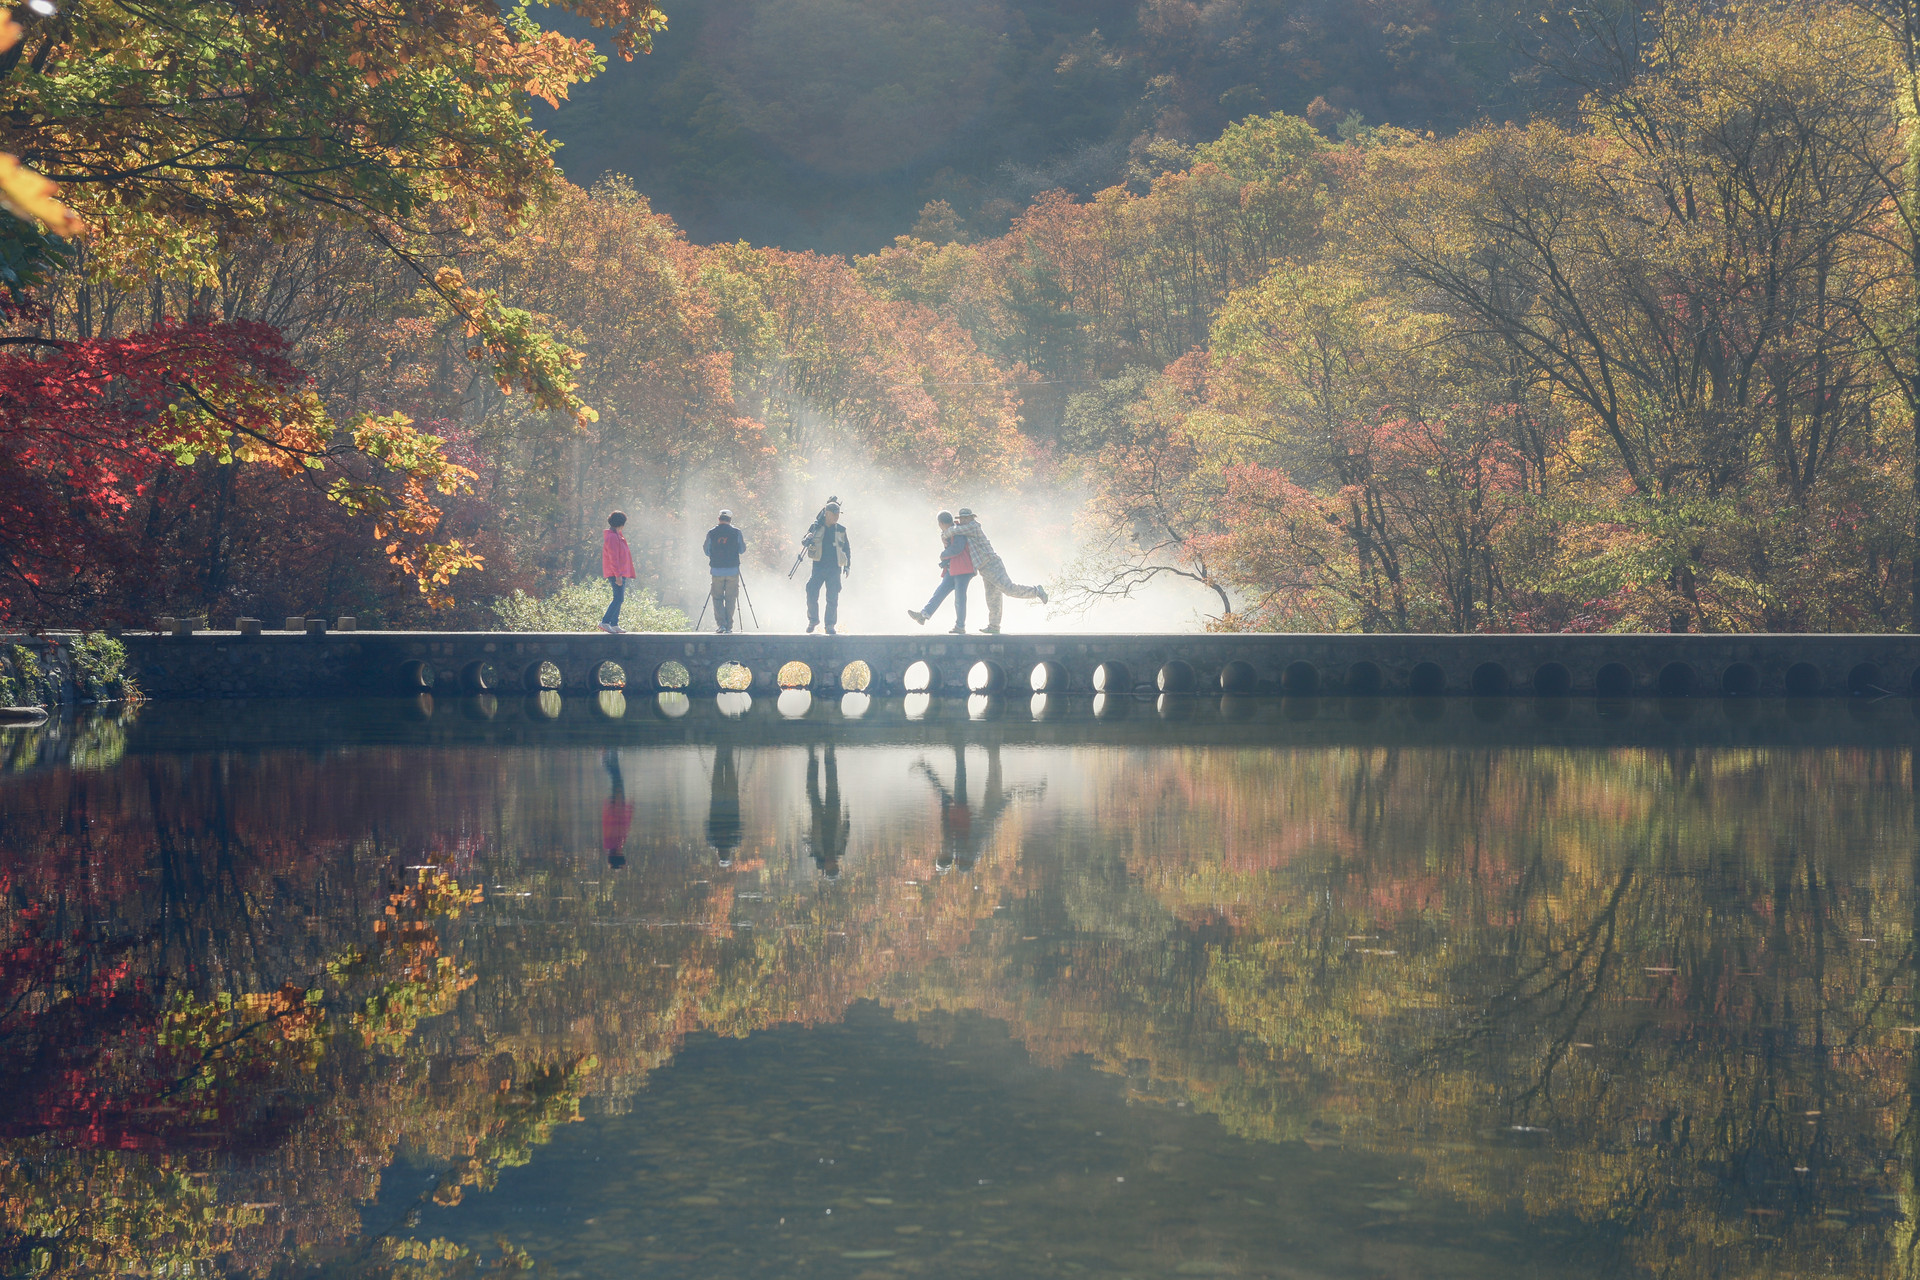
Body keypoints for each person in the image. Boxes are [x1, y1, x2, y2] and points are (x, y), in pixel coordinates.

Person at [948, 507, 1046, 634]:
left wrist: (944, 533)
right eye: (962, 518)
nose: (963, 520)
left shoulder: (972, 527)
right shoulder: (967, 529)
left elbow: (952, 531)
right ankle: (994, 626)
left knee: (1009, 589)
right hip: (985, 568)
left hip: (991, 564)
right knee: (992, 598)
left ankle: (1036, 591)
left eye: (966, 518)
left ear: (971, 518)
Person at [906, 510, 974, 635]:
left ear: (940, 523)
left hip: (963, 568)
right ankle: (923, 615)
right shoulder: (949, 532)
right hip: (953, 567)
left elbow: (957, 549)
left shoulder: (957, 531)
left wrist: (943, 555)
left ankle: (960, 626)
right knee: (940, 592)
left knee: (960, 597)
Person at [801, 501, 851, 635]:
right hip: (818, 567)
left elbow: (846, 548)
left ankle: (829, 625)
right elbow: (804, 542)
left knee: (832, 598)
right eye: (833, 514)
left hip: (835, 569)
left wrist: (847, 566)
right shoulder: (816, 527)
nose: (836, 517)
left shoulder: (841, 529)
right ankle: (813, 620)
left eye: (838, 514)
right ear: (827, 513)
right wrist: (808, 538)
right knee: (811, 591)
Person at [805, 744, 849, 880]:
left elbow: (806, 838)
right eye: (836, 867)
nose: (834, 864)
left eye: (832, 868)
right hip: (834, 815)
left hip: (817, 817)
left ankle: (813, 757)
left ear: (825, 867)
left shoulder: (815, 853)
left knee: (812, 787)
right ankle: (829, 754)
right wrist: (847, 815)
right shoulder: (840, 850)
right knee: (833, 783)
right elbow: (846, 831)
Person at [703, 509, 746, 634]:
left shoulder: (711, 532)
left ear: (719, 518)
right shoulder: (737, 532)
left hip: (716, 571)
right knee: (731, 598)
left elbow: (706, 551)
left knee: (717, 598)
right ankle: (729, 626)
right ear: (730, 520)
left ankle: (721, 624)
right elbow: (742, 550)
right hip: (733, 570)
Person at [599, 511, 635, 634]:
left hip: (621, 572)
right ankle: (605, 621)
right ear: (621, 524)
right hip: (616, 573)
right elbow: (613, 558)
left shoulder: (617, 536)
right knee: (618, 598)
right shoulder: (613, 537)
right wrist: (617, 575)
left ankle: (614, 624)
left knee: (619, 598)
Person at [707, 743, 742, 868]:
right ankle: (725, 746)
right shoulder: (715, 842)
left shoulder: (733, 842)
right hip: (725, 804)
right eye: (725, 855)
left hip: (723, 804)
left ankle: (723, 747)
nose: (724, 853)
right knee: (726, 770)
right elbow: (707, 825)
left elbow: (739, 825)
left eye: (723, 855)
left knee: (724, 770)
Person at [602, 749, 633, 869]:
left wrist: (620, 806)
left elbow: (617, 824)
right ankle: (611, 756)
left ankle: (608, 756)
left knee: (617, 780)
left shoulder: (614, 843)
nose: (622, 852)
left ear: (617, 855)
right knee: (617, 779)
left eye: (621, 855)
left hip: (617, 806)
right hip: (618, 806)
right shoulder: (614, 844)